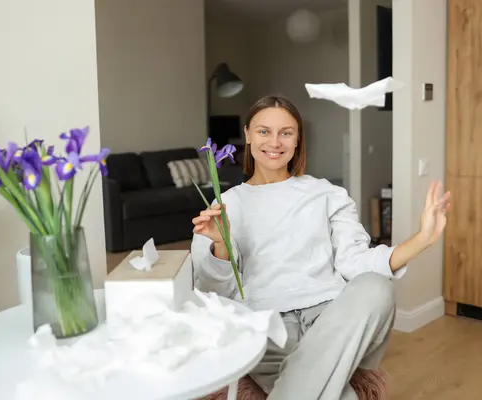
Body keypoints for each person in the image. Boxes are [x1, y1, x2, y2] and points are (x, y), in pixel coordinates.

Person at [190, 95, 450, 400]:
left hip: (332, 318)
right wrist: (220, 245)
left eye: (286, 132)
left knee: (377, 286)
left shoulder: (327, 193)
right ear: (247, 134)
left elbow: (355, 262)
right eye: (264, 131)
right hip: (267, 324)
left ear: (298, 139)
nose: (275, 142)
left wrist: (421, 239)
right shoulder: (225, 204)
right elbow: (211, 290)